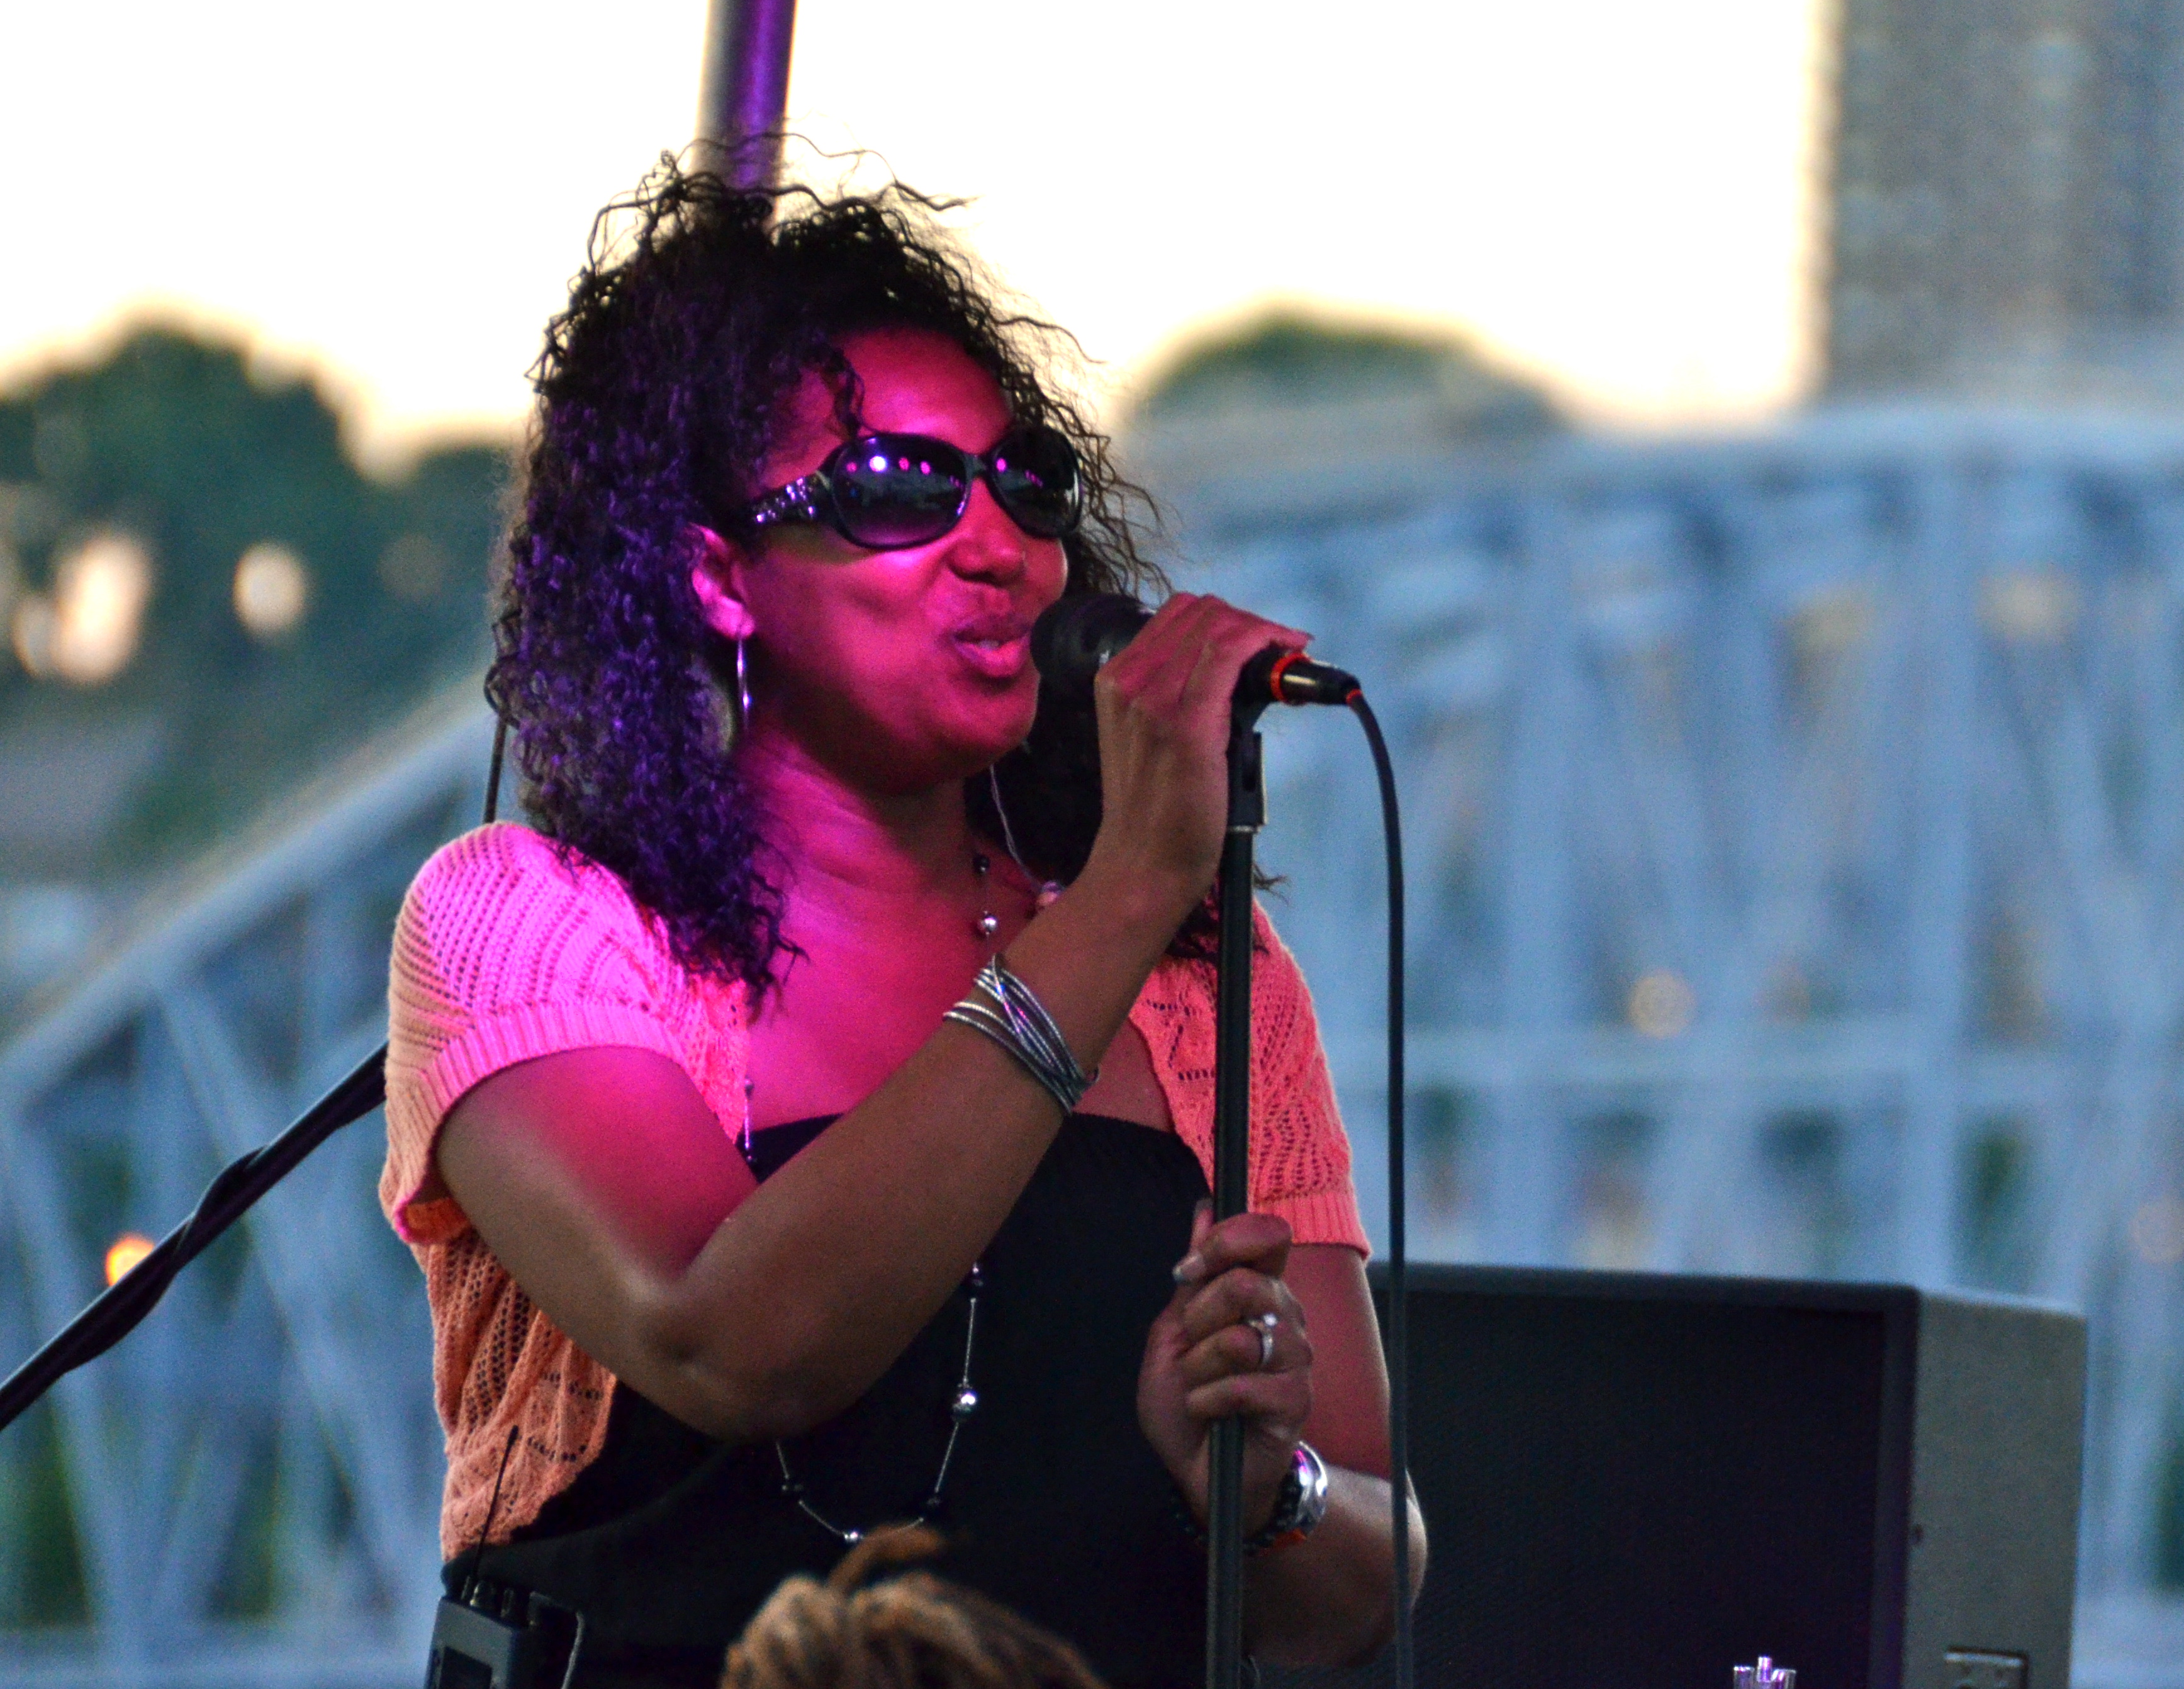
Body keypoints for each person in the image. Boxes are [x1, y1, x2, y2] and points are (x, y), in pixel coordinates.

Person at [379, 157, 1425, 1689]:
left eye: (1023, 484)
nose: (998, 544)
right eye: (895, 490)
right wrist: (1125, 892)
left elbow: (1366, 1587)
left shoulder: (1206, 980)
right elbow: (728, 1341)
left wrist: (1265, 1493)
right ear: (716, 572)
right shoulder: (531, 923)